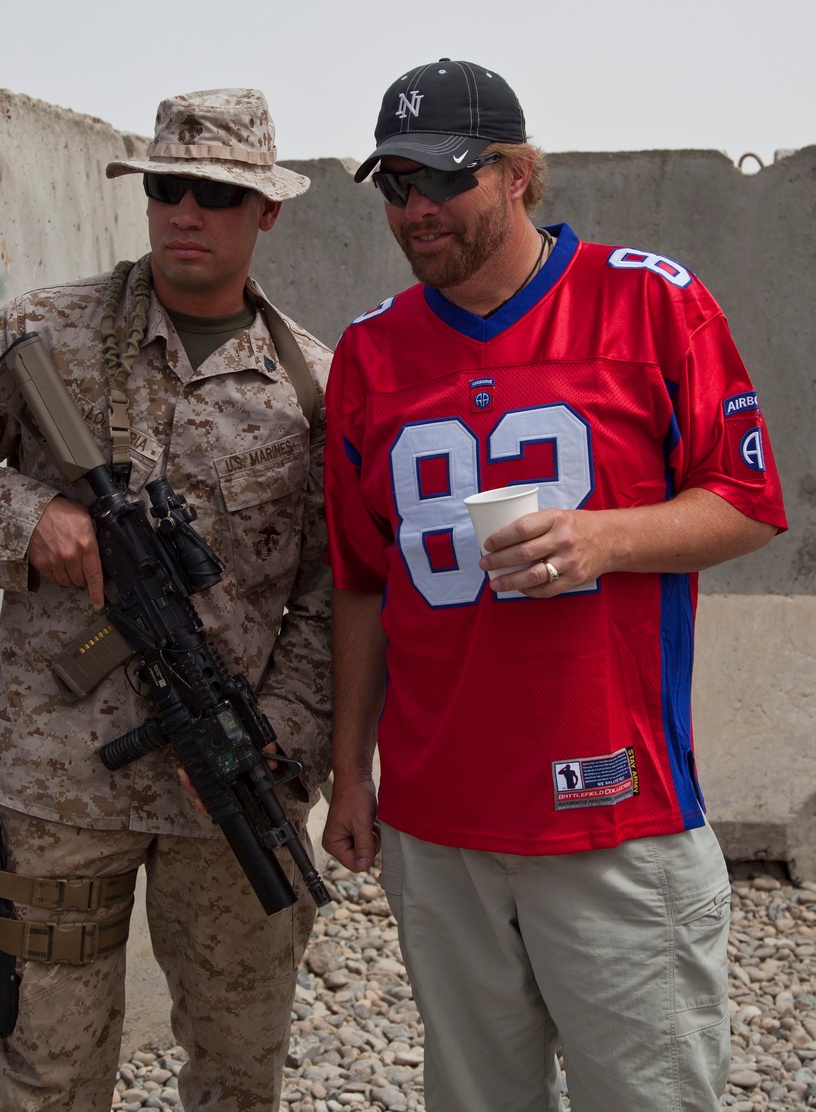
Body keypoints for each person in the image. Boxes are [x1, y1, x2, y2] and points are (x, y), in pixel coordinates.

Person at [321, 58, 787, 1112]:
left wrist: (607, 537)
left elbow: (749, 502)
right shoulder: (368, 352)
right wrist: (352, 769)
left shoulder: (649, 302)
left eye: (443, 180)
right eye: (395, 184)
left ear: (519, 172)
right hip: (439, 822)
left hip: (614, 810)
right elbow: (360, 581)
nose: (417, 209)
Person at [0, 88, 332, 1112]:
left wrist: (280, 747)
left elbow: (331, 595)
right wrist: (27, 516)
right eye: (166, 186)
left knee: (236, 1074)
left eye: (214, 193)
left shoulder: (312, 389)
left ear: (265, 212)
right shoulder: (48, 332)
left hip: (230, 790)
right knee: (47, 1076)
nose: (184, 211)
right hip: (50, 783)